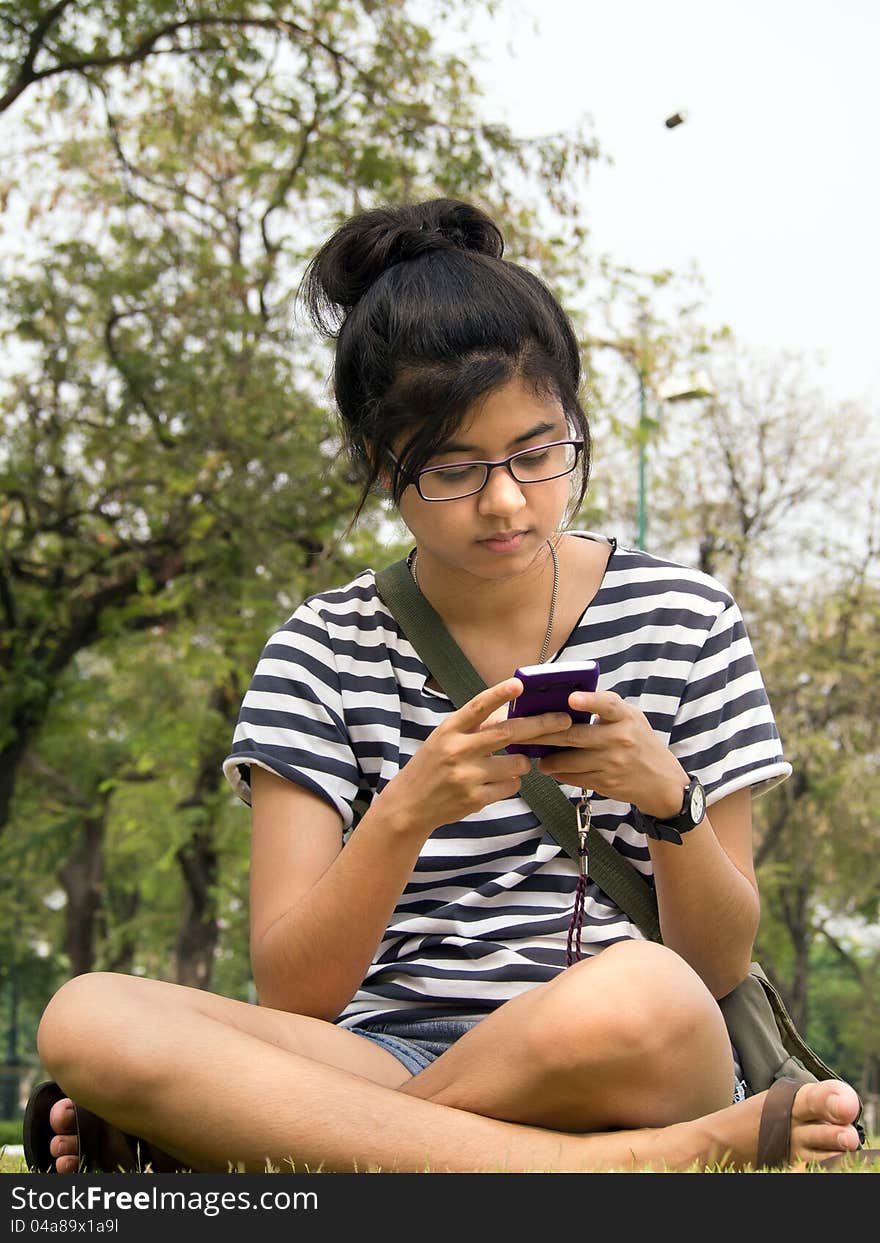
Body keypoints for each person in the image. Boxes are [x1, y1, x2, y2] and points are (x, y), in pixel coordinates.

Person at [27, 198, 865, 1175]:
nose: (506, 501)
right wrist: (406, 809)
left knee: (649, 993)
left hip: (621, 1051)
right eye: (455, 468)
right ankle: (616, 1166)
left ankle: (275, 1144)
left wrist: (664, 796)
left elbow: (716, 966)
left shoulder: (686, 620)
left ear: (574, 425)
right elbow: (295, 993)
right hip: (379, 1050)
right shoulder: (318, 649)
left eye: (537, 452)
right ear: (383, 465)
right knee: (88, 1016)